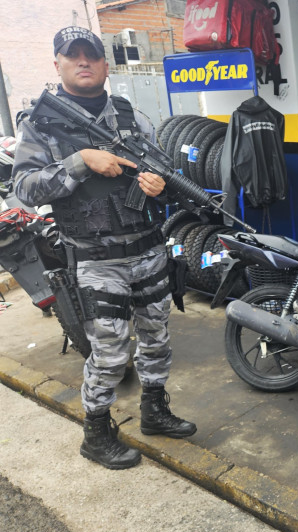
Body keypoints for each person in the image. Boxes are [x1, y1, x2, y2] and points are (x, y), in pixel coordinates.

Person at [12, 26, 196, 470]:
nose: (83, 62)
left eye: (90, 55)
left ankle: (154, 412)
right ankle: (96, 433)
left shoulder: (130, 117)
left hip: (148, 250)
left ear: (105, 65)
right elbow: (24, 188)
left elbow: (164, 173)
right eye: (71, 55)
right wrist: (80, 161)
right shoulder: (41, 123)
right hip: (96, 260)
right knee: (111, 353)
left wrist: (160, 188)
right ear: (57, 64)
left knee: (156, 340)